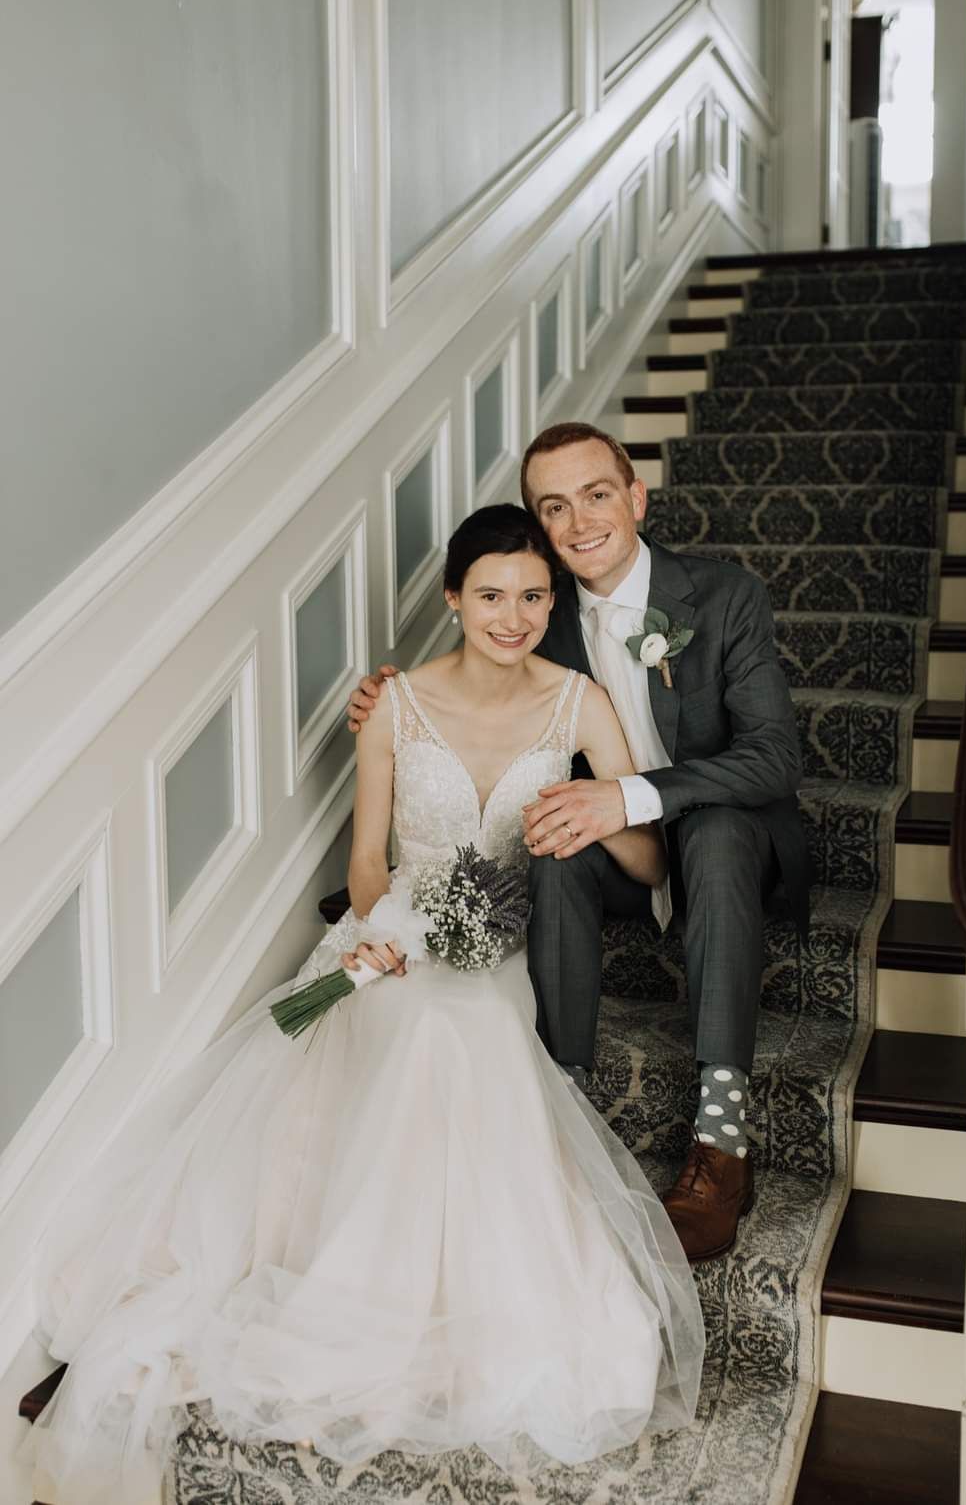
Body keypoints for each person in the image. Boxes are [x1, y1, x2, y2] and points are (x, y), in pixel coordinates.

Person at [21, 503, 704, 1505]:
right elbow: (368, 859)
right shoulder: (394, 704)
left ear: (551, 601)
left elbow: (646, 862)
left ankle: (398, 1294)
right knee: (403, 1014)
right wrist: (380, 933)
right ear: (453, 598)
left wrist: (596, 815)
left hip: (504, 943)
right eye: (491, 596)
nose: (513, 618)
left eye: (533, 597)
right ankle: (348, 1284)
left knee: (463, 1026)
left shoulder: (581, 704)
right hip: (391, 932)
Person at [348, 424, 811, 1266]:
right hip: (621, 856)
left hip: (724, 840)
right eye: (554, 507)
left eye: (597, 494)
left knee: (712, 832)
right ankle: (562, 1093)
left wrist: (628, 796)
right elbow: (472, 678)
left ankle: (720, 1139)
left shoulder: (724, 594)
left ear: (636, 498)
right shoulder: (539, 611)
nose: (579, 520)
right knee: (553, 828)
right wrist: (384, 697)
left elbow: (776, 757)